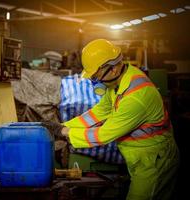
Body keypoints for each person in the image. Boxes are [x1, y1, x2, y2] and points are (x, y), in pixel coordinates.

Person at [42, 39, 179, 200]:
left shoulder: (136, 97)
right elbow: (97, 114)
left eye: (96, 75)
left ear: (113, 69)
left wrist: (64, 132)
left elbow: (104, 134)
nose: (95, 81)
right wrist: (62, 125)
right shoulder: (117, 83)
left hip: (155, 161)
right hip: (141, 158)